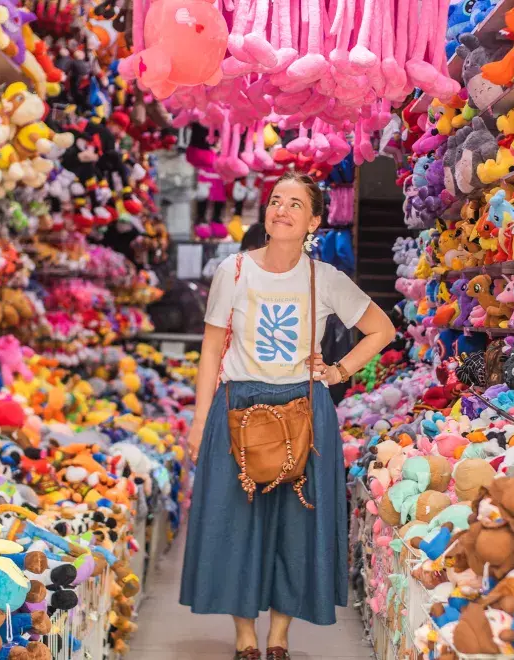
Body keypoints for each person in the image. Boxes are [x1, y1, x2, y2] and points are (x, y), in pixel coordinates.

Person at [180, 172, 395, 659]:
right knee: (237, 523)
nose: (281, 210)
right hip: (238, 408)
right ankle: (245, 636)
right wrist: (199, 421)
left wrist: (338, 371)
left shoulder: (326, 278)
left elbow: (381, 330)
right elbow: (212, 347)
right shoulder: (233, 270)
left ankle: (278, 637)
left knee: (296, 528)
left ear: (315, 220)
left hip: (305, 409)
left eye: (295, 204)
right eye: (276, 200)